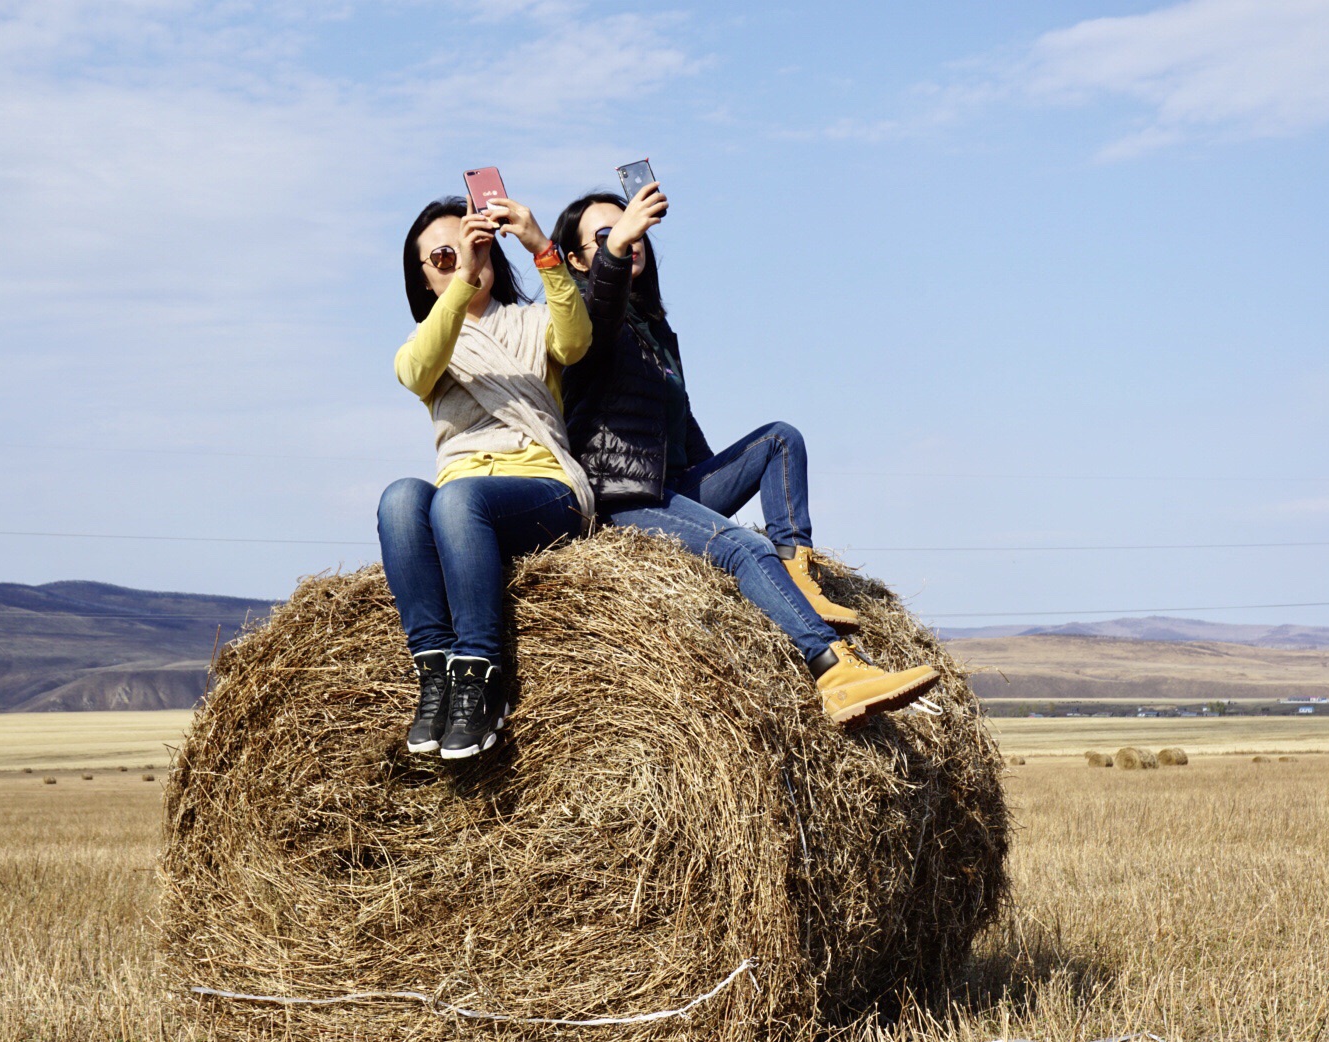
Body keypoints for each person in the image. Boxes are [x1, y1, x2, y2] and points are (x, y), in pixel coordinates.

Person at [553, 184, 938, 728]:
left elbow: (682, 429)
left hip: (673, 486)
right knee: (740, 550)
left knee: (780, 439)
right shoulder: (581, 321)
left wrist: (717, 490)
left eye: (632, 228)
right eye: (607, 234)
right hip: (623, 497)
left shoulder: (655, 330)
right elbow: (600, 306)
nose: (628, 237)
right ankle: (833, 670)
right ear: (575, 258)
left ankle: (797, 575)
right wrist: (616, 252)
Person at [379, 192, 593, 760]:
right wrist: (460, 288)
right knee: (401, 498)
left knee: (455, 502)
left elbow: (576, 342)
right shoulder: (426, 342)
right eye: (443, 258)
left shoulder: (534, 322)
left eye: (473, 247)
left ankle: (481, 674)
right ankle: (435, 676)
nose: (463, 262)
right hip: (465, 497)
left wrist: (542, 248)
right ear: (425, 279)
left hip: (546, 489)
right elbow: (417, 371)